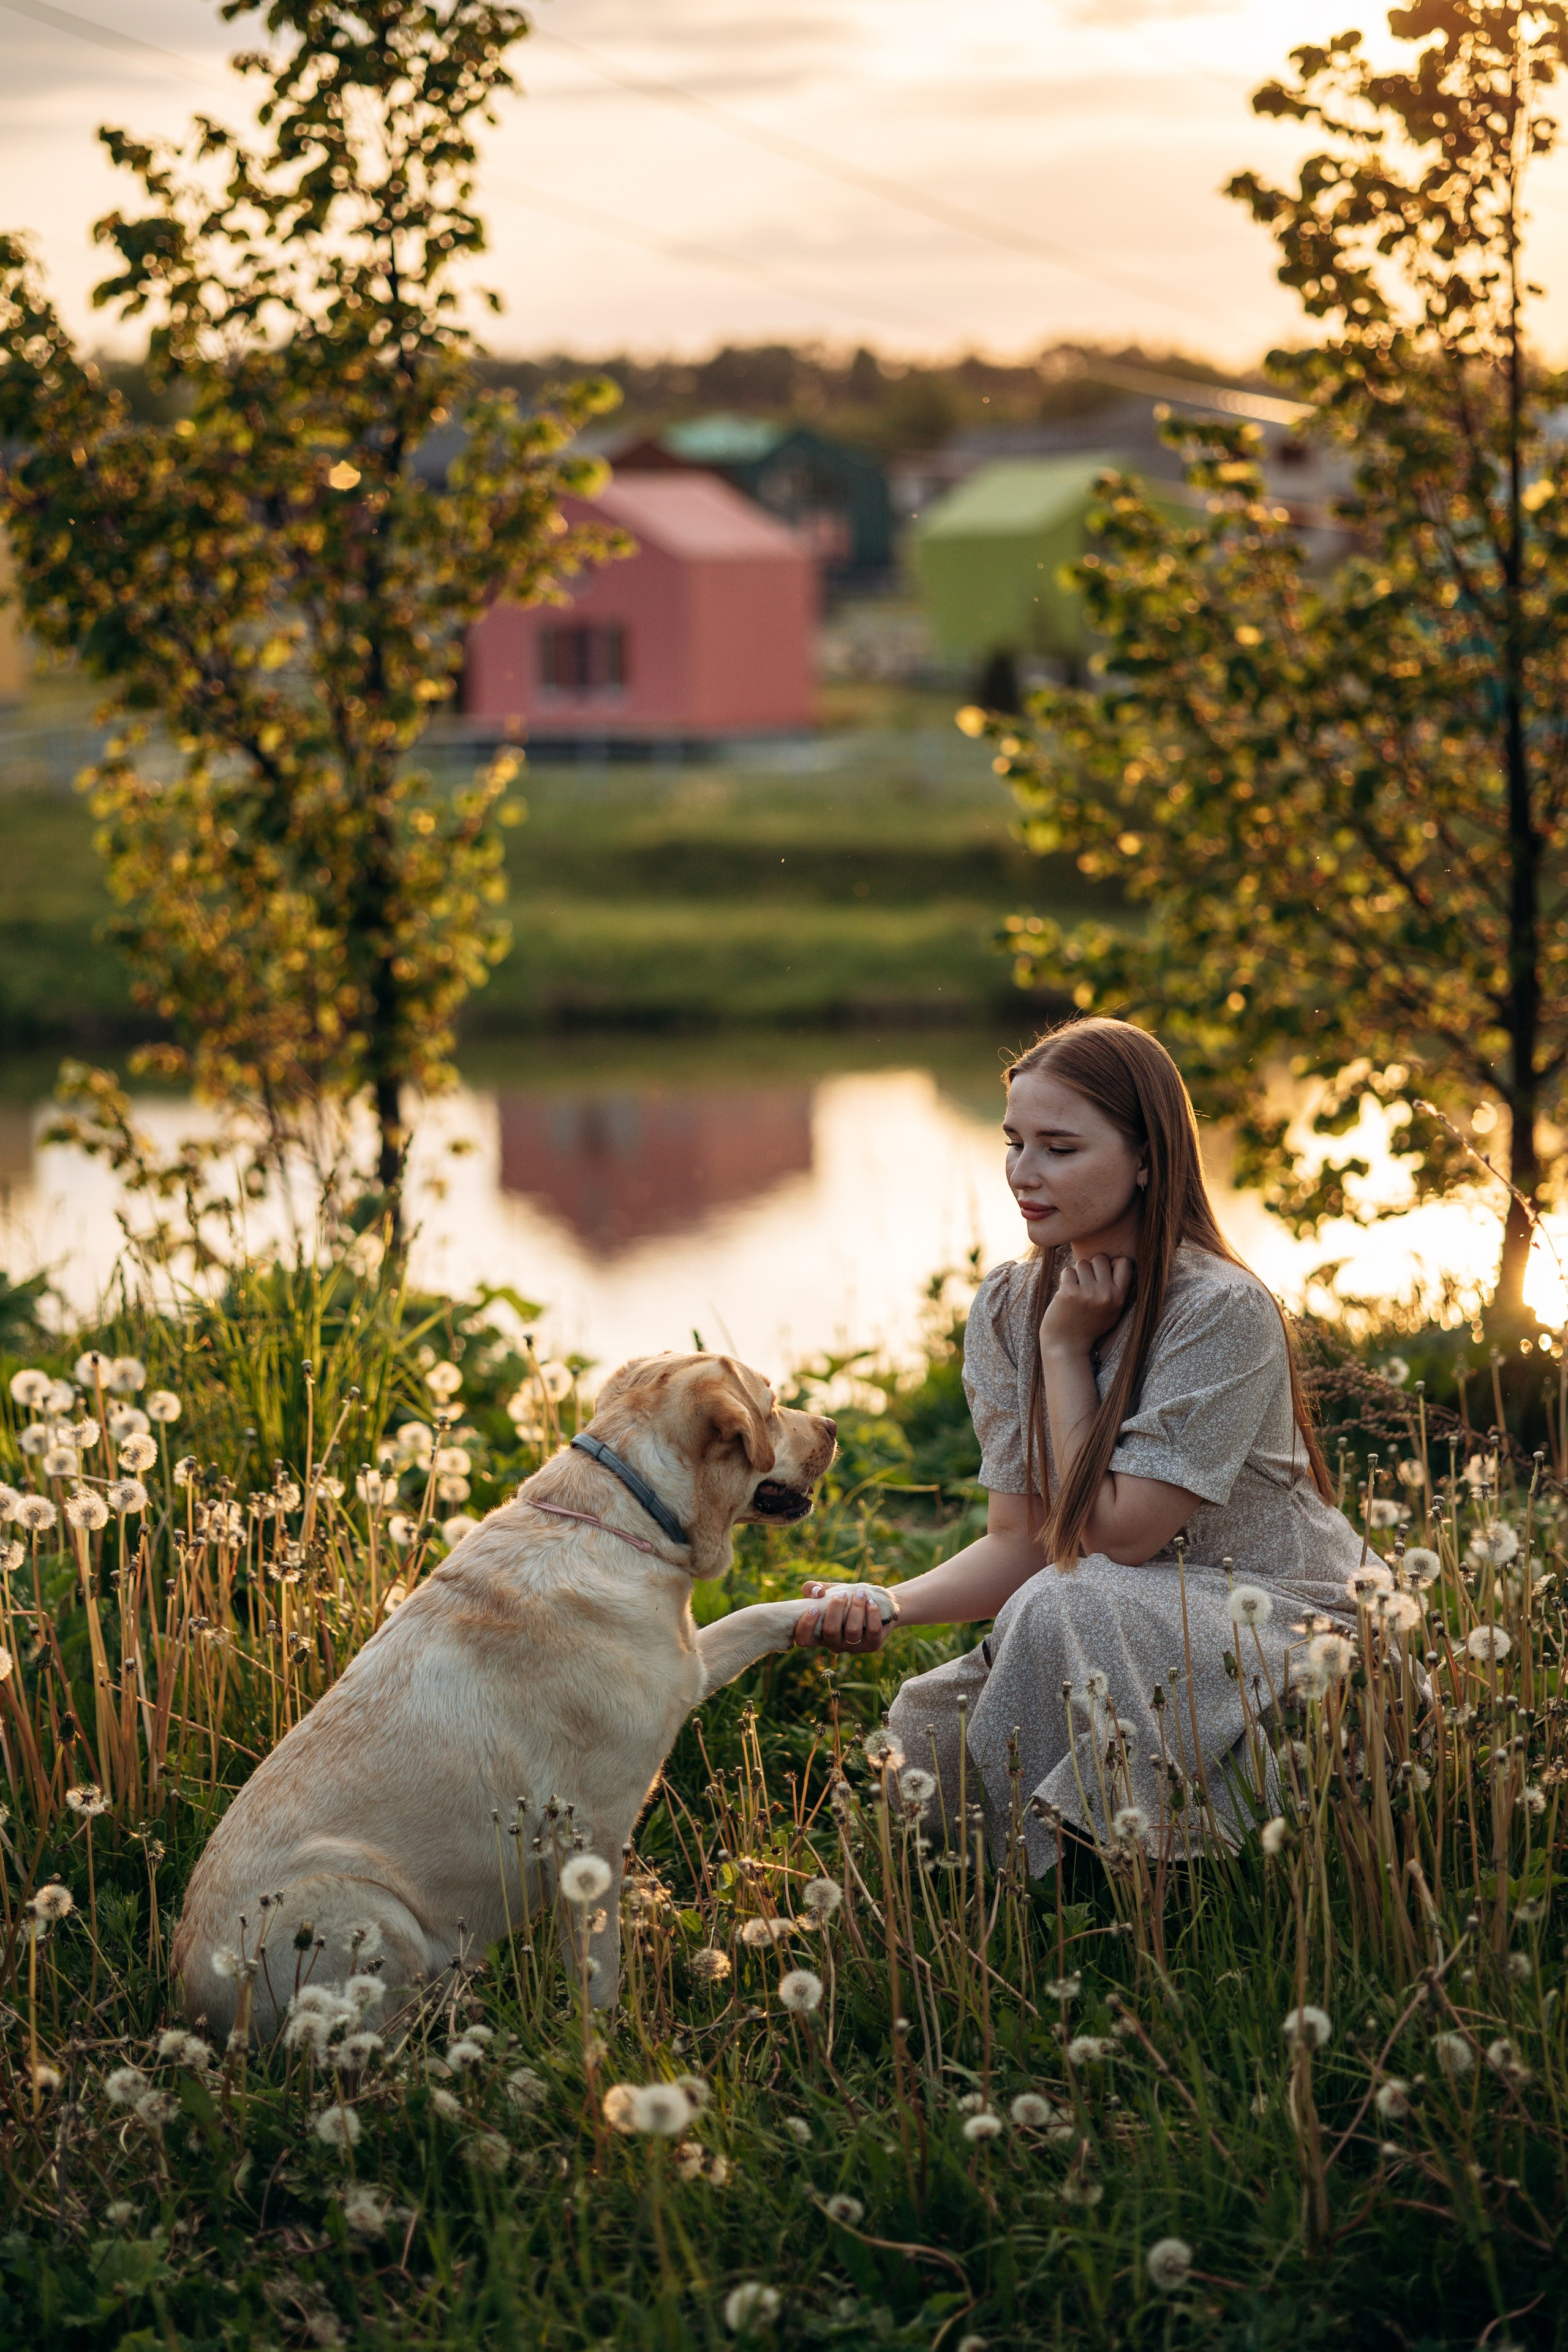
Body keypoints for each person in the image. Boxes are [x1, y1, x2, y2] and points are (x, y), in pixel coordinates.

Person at [793, 1016, 1367, 1871]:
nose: (1024, 1175)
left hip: (1283, 1626)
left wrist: (1066, 1353)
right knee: (929, 1725)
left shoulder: (1219, 1309)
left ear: (1146, 1158)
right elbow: (1022, 1542)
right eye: (1014, 1142)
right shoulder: (1006, 1306)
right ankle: (1063, 1895)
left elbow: (1117, 1537)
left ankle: (1143, 1885)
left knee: (1073, 1600)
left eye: (1059, 1148)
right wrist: (887, 1601)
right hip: (1106, 1613)